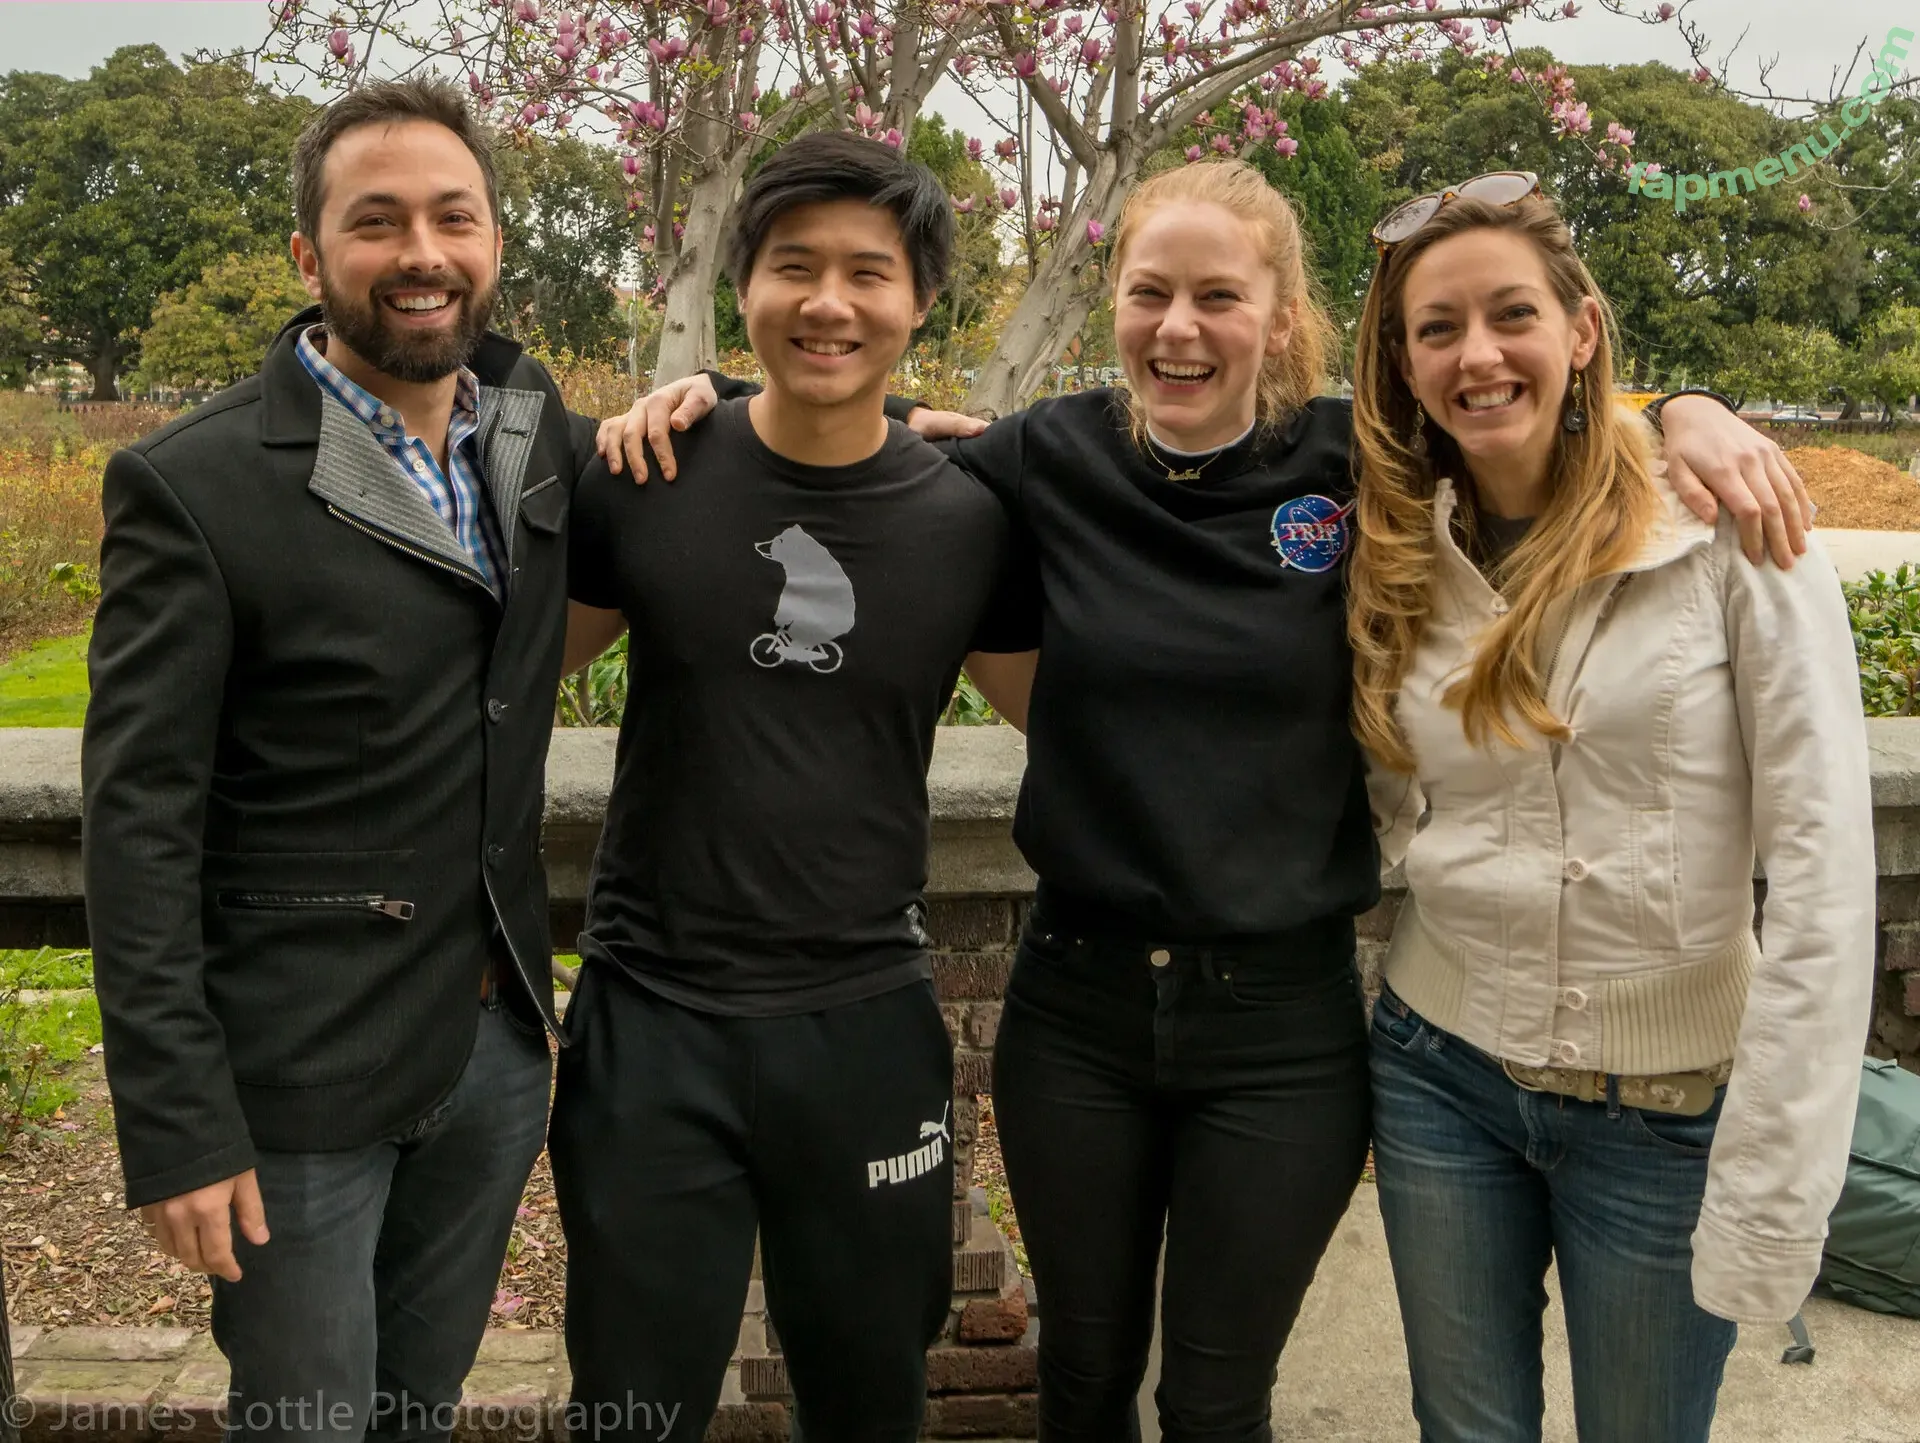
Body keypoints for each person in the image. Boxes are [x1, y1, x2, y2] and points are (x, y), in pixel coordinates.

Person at [601, 159, 1810, 1443]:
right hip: (1079, 1004)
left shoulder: (1368, 462)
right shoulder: (1049, 456)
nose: (1180, 328)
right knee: (1082, 1377)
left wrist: (1688, 404)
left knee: (1220, 1399)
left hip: (1279, 1026)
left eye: (1219, 296)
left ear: (1279, 315)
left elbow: (1528, 407)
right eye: (1150, 294)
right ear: (1116, 308)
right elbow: (849, 422)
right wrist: (710, 392)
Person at [83, 79, 594, 1439]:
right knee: (308, 1419)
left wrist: (883, 441)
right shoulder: (195, 486)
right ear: (310, 258)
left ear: (493, 241)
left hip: (492, 1049)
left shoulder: (529, 416)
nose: (423, 252)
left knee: (416, 1412)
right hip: (297, 1077)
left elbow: (703, 457)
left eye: (454, 216)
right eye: (378, 222)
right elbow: (137, 828)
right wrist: (177, 1121)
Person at [1346, 174, 1874, 1442]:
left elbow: (1823, 877)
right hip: (1439, 1077)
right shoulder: (1393, 541)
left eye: (1512, 313)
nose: (1478, 355)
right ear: (1405, 362)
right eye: (1437, 328)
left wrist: (1774, 1183)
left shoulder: (1731, 526)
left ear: (1583, 330)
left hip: (1669, 1107)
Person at [548, 132, 1035, 1440]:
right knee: (631, 1406)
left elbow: (1084, 709)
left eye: (868, 272)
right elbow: (500, 684)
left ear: (918, 301)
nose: (829, 301)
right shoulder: (645, 475)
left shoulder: (971, 516)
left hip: (865, 1023)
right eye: (794, 266)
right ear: (744, 285)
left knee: (870, 1401)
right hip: (653, 1016)